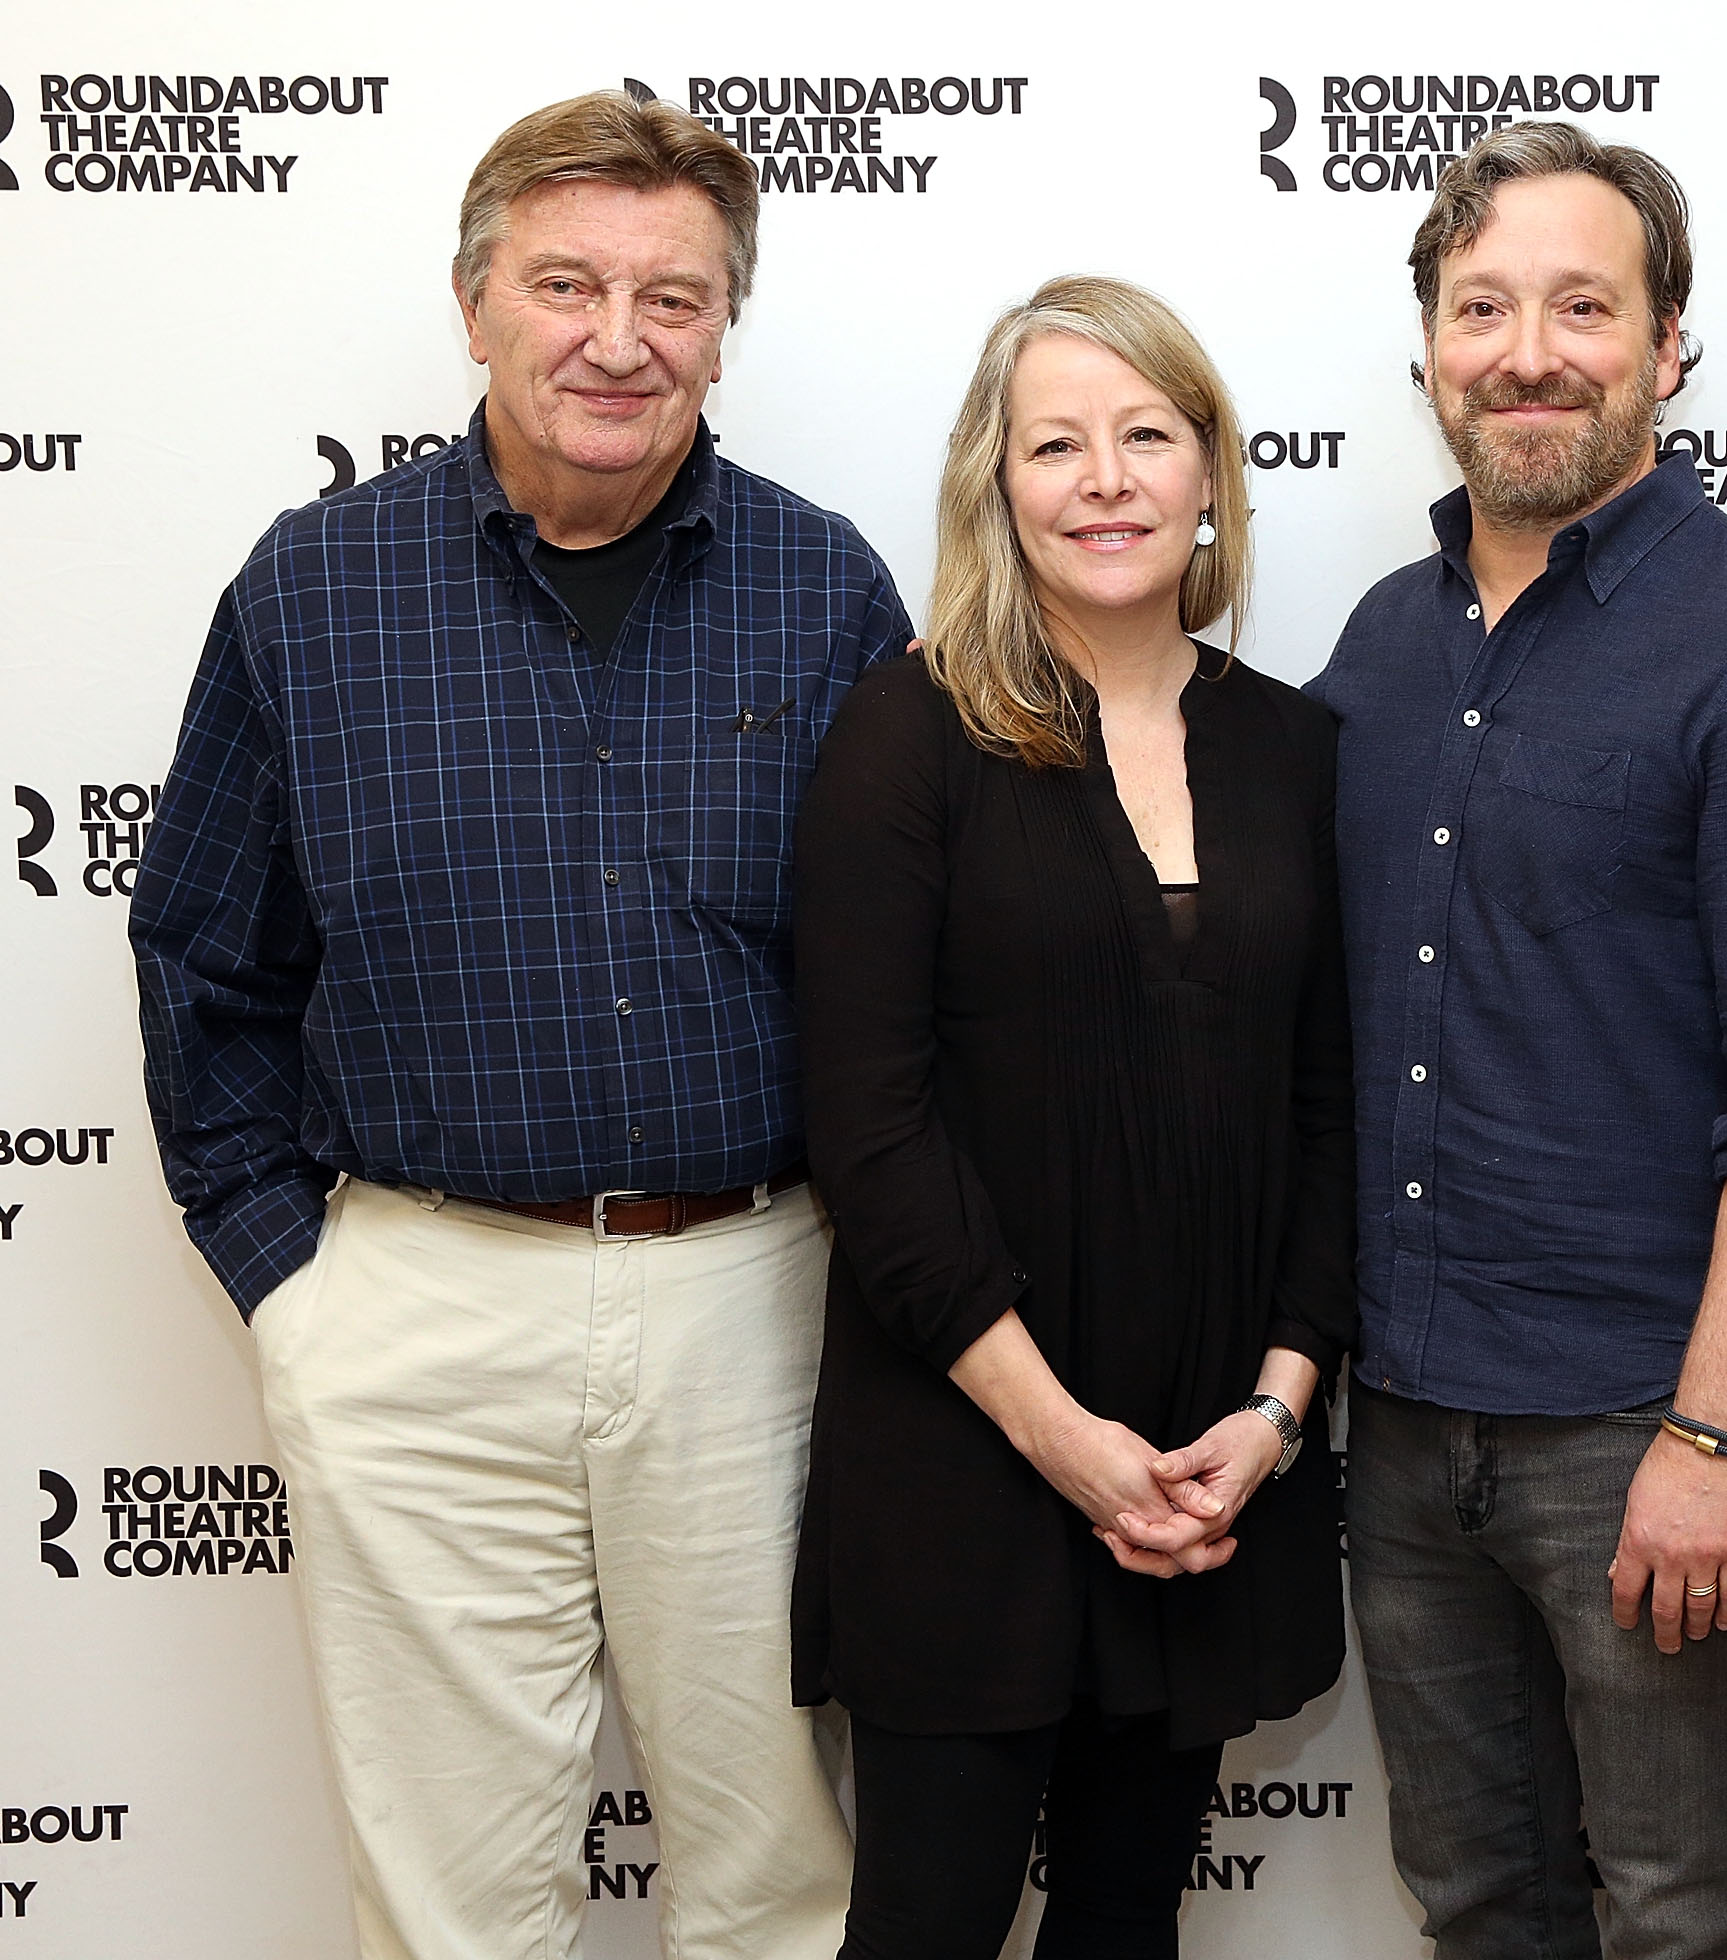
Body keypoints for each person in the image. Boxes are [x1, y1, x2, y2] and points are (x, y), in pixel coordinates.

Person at [129, 91, 906, 1959]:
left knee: (784, 1882)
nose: (619, 339)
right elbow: (205, 959)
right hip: (416, 1313)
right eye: (567, 283)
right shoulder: (311, 589)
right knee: (453, 1904)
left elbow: (913, 986)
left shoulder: (827, 590)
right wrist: (298, 1292)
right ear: (474, 303)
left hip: (758, 1311)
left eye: (676, 295)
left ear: (728, 327)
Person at [1307, 121, 1727, 1960]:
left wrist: (1713, 1436)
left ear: (1666, 350)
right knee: (1481, 1904)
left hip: (1639, 1428)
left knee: (1682, 1916)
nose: (1529, 350)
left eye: (1584, 305)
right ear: (1427, 350)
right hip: (1404, 1422)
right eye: (1483, 306)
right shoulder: (1382, 647)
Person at [790, 275, 1351, 1960]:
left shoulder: (1300, 751)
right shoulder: (909, 736)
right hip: (969, 1461)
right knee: (926, 1929)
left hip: (1204, 1476)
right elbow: (869, 1127)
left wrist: (1269, 1415)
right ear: (997, 483)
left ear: (1208, 478)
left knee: (1126, 1931)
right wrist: (1063, 1443)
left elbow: (1332, 1110)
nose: (1105, 478)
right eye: (1057, 443)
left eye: (1145, 435)